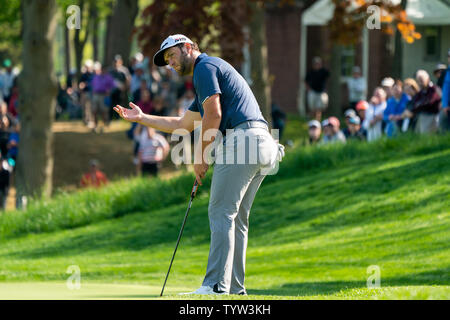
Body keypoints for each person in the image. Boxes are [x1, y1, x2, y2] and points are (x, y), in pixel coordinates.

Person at [114, 34, 282, 295]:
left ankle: (215, 285)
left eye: (172, 55)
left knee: (221, 213)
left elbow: (214, 115)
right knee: (236, 219)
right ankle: (235, 290)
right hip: (263, 144)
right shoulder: (209, 75)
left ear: (188, 48)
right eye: (167, 59)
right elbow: (183, 125)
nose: (170, 62)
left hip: (243, 141)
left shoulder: (204, 68)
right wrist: (142, 117)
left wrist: (201, 156)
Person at [404, 70, 441, 134]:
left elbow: (430, 103)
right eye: (418, 80)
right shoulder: (420, 93)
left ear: (428, 79)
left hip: (432, 117)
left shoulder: (434, 89)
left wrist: (417, 107)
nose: (420, 82)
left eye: (421, 80)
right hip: (421, 118)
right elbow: (415, 103)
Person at [91, 62, 115, 132]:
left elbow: (113, 86)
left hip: (104, 95)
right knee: (94, 110)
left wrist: (109, 91)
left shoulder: (109, 77)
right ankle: (95, 125)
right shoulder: (96, 77)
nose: (103, 71)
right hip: (96, 95)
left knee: (104, 111)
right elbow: (92, 86)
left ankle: (104, 125)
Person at [305, 57, 330, 121]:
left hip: (321, 92)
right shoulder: (311, 72)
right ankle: (310, 119)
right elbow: (306, 81)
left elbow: (328, 75)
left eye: (318, 63)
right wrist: (308, 89)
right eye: (315, 63)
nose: (317, 65)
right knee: (313, 108)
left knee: (319, 109)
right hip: (313, 91)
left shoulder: (323, 71)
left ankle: (317, 121)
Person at [438, 50, 450, 132]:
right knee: (443, 128)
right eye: (449, 56)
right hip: (446, 106)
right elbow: (440, 88)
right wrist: (444, 104)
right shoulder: (445, 72)